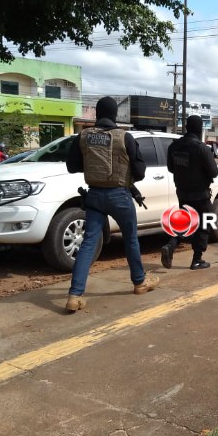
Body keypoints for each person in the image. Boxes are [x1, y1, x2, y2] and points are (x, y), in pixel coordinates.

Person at [64, 96, 159, 313]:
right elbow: (141, 172)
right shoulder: (124, 137)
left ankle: (75, 295)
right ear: (116, 115)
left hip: (94, 195)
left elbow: (72, 166)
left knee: (88, 243)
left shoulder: (83, 136)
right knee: (130, 239)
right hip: (119, 196)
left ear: (97, 114)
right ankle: (139, 282)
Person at [161, 115, 218, 271]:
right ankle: (197, 259)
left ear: (186, 127)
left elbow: (171, 168)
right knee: (205, 224)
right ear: (200, 129)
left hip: (183, 193)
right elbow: (214, 172)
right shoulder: (202, 148)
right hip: (200, 194)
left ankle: (171, 245)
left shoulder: (174, 146)